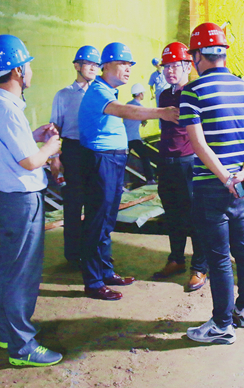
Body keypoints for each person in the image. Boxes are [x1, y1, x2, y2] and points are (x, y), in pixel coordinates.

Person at [0, 34, 63, 367]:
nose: (30, 71)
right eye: (27, 65)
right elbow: (29, 161)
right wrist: (50, 148)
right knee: (23, 272)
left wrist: (34, 137)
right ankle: (22, 346)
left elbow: (11, 148)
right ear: (16, 71)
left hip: (5, 198)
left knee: (8, 269)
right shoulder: (7, 110)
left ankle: (8, 332)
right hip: (21, 199)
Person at [180, 23, 244, 344]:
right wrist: (243, 173)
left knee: (217, 255)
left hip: (211, 186)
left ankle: (220, 324)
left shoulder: (193, 91)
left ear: (199, 55)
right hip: (242, 185)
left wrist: (225, 177)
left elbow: (198, 144)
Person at [78, 42, 178, 301]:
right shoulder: (99, 92)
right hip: (101, 161)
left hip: (112, 161)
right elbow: (125, 111)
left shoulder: (108, 91)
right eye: (123, 63)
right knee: (97, 221)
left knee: (107, 220)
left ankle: (106, 271)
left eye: (130, 65)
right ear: (105, 66)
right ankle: (93, 281)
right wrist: (161, 113)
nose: (128, 69)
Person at [151, 42, 208, 291]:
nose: (170, 71)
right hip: (166, 162)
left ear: (188, 66)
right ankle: (176, 259)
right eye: (167, 66)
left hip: (189, 162)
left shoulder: (195, 92)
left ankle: (200, 267)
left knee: (195, 217)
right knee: (172, 214)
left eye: (175, 65)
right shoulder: (164, 96)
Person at [49, 45, 101, 267]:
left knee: (96, 204)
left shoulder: (101, 92)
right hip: (72, 151)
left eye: (95, 64)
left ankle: (93, 252)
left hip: (96, 151)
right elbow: (55, 129)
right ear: (77, 66)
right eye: (88, 63)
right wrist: (54, 157)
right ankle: (72, 255)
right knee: (73, 204)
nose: (92, 68)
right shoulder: (63, 95)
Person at [124, 83, 155, 184]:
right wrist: (143, 121)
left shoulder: (127, 105)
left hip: (125, 138)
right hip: (135, 138)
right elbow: (145, 119)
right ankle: (150, 179)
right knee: (145, 157)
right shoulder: (140, 107)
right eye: (143, 93)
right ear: (140, 94)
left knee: (123, 161)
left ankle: (118, 182)